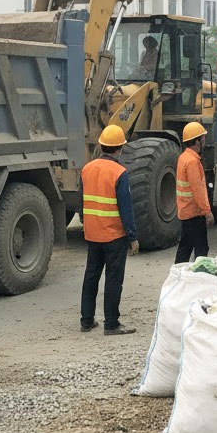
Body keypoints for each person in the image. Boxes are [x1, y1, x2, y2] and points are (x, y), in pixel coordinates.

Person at [80, 124, 139, 335]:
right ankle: (111, 324)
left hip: (92, 233)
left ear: (103, 146)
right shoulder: (119, 173)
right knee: (114, 279)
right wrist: (132, 237)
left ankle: (86, 321)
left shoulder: (87, 169)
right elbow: (126, 209)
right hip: (114, 235)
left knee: (91, 276)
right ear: (119, 148)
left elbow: (82, 202)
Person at [174, 122, 213, 263]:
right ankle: (198, 278)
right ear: (197, 141)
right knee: (201, 250)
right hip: (194, 214)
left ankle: (178, 277)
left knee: (185, 248)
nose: (204, 141)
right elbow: (197, 190)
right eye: (203, 139)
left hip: (186, 213)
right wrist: (207, 212)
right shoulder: (192, 162)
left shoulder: (183, 157)